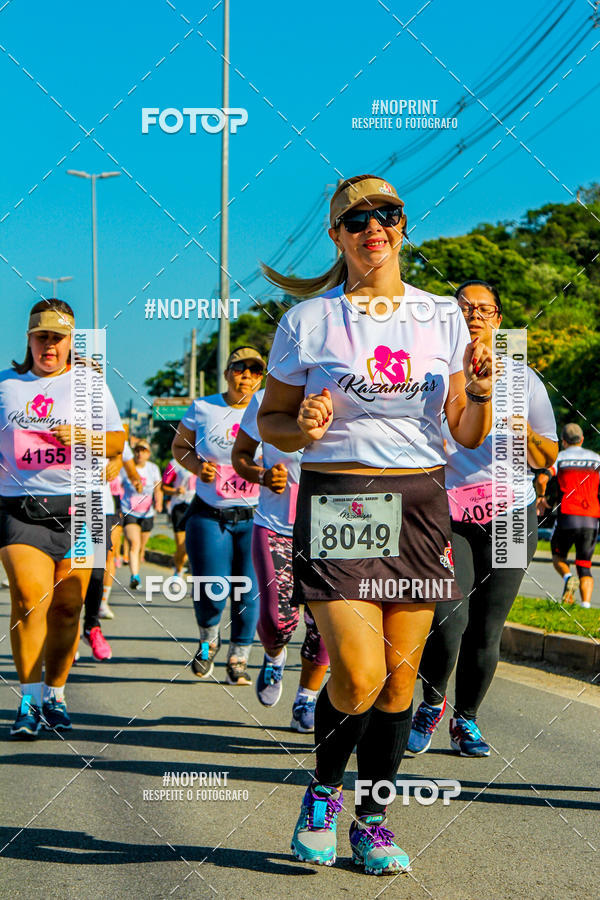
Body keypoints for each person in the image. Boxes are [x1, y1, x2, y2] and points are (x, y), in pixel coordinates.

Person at [257, 175, 493, 874]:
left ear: (403, 225)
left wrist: (479, 390)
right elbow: (273, 421)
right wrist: (298, 425)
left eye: (386, 214)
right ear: (337, 235)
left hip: (421, 499)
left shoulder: (441, 318)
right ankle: (324, 791)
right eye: (355, 219)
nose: (373, 228)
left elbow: (467, 431)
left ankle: (374, 820)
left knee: (397, 681)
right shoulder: (309, 321)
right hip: (343, 498)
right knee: (357, 675)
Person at [409, 280, 558, 758]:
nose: (475, 315)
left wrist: (518, 421)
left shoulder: (523, 378)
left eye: (485, 309)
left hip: (512, 516)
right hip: (446, 511)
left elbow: (546, 455)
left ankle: (466, 719)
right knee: (448, 619)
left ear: (499, 320)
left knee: (486, 629)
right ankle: (431, 704)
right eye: (464, 306)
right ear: (449, 315)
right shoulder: (431, 372)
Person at [0, 299, 124, 737]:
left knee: (69, 607)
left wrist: (85, 437)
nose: (48, 346)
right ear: (29, 338)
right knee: (30, 598)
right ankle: (29, 702)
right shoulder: (7, 385)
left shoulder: (89, 385)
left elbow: (116, 443)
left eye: (58, 338)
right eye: (41, 337)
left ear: (71, 342)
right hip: (23, 509)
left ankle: (55, 693)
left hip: (84, 509)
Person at [232, 388, 329, 732]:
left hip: (332, 532)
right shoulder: (265, 399)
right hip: (276, 525)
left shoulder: (352, 387)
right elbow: (241, 454)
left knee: (325, 628)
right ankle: (274, 656)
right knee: (278, 621)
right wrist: (260, 475)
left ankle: (307, 699)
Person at [171, 347, 265, 686]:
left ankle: (240, 657)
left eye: (255, 371)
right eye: (240, 369)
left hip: (256, 515)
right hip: (210, 514)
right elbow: (179, 447)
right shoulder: (204, 407)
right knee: (212, 589)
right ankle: (208, 638)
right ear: (227, 373)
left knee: (249, 591)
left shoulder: (269, 408)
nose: (247, 377)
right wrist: (198, 467)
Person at [540, 423, 600, 608]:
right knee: (584, 564)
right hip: (591, 516)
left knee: (558, 557)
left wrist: (542, 498)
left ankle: (567, 578)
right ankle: (586, 605)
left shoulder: (559, 458)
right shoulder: (596, 459)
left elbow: (542, 478)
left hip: (567, 515)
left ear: (563, 442)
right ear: (582, 440)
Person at [120, 439, 162, 589]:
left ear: (148, 454)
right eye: (137, 450)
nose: (139, 454)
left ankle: (136, 564)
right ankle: (135, 576)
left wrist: (159, 502)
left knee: (141, 547)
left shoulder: (153, 468)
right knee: (134, 544)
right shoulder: (126, 468)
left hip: (147, 513)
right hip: (129, 511)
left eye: (143, 451)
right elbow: (117, 487)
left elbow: (158, 489)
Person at [162, 458, 196, 584]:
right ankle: (178, 572)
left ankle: (197, 578)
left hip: (197, 505)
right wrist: (175, 491)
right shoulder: (174, 463)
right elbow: (164, 487)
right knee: (181, 545)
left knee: (196, 545)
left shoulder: (205, 458)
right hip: (180, 506)